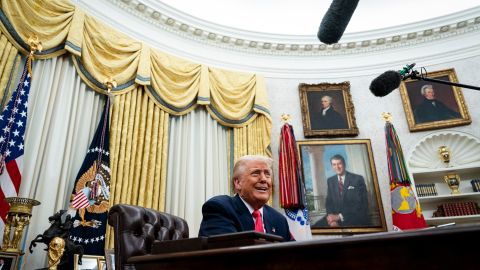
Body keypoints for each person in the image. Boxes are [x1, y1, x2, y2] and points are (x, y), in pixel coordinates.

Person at [198, 155, 292, 241]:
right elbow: (225, 253)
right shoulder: (220, 208)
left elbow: (294, 254)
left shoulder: (279, 220)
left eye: (267, 174)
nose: (264, 179)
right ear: (238, 183)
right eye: (256, 173)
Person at [318, 154, 369, 227]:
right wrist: (331, 218)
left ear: (344, 164)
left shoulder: (357, 179)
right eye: (334, 164)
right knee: (314, 228)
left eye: (339, 164)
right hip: (334, 218)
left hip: (353, 218)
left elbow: (361, 204)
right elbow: (329, 202)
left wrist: (339, 217)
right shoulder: (330, 181)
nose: (337, 167)